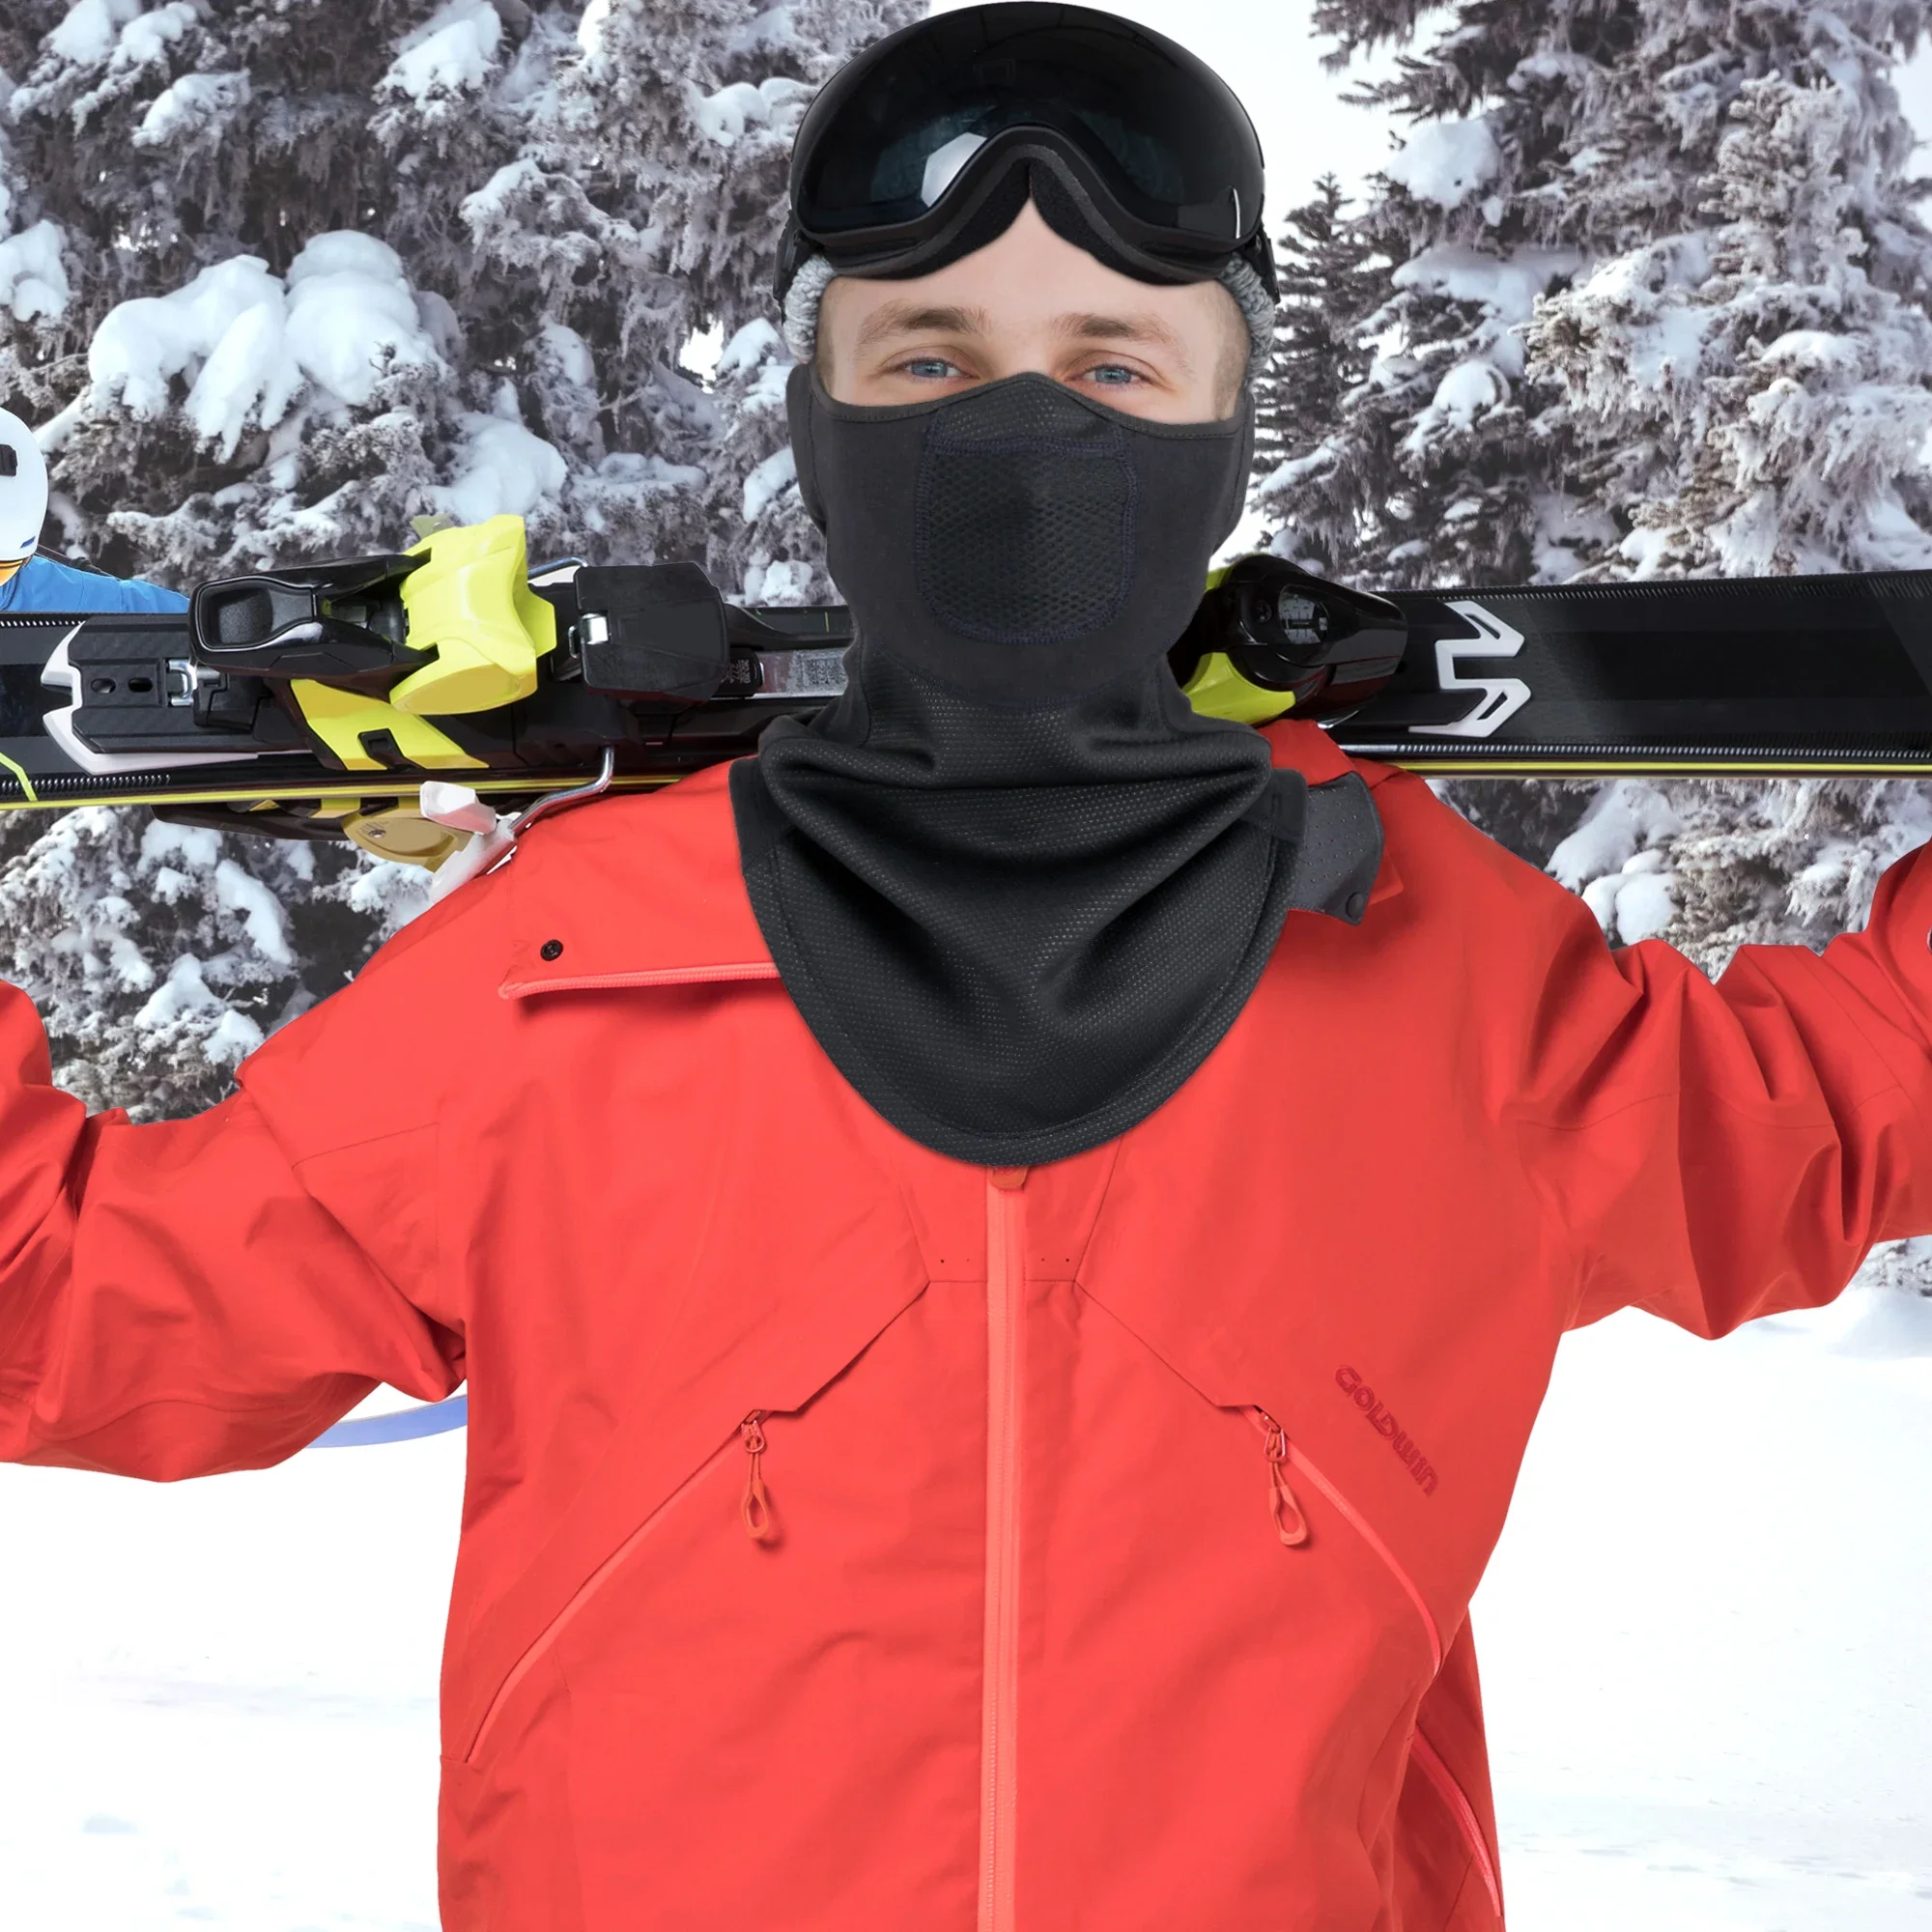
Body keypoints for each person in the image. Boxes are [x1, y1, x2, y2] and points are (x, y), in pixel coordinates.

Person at [0, 6, 1928, 1927]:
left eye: (1112, 363)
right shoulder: (571, 971)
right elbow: (69, 1305)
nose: (1027, 434)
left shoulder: (1431, 977)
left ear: (1224, 425)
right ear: (822, 417)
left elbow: (1846, 1102)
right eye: (928, 357)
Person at [0, 407, 186, 613]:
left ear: (26, 560)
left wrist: (205, 621)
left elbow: (125, 604)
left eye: (2, 571)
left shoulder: (21, 591)